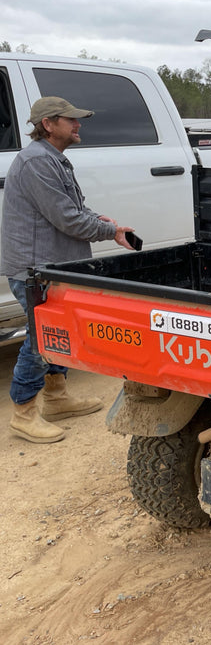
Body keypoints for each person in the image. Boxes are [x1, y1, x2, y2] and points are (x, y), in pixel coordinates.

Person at [1, 96, 136, 444]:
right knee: (42, 338)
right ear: (48, 124)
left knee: (60, 331)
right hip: (36, 268)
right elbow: (65, 218)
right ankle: (23, 413)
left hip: (53, 265)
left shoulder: (51, 159)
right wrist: (109, 231)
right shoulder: (36, 163)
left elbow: (73, 207)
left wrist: (97, 219)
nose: (78, 125)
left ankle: (57, 398)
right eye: (70, 119)